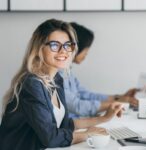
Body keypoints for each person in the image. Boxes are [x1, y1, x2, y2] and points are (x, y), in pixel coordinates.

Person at [0, 19, 123, 150]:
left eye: (67, 45)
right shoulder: (32, 84)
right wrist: (87, 134)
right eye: (54, 45)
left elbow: (64, 124)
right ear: (39, 49)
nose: (63, 51)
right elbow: (51, 137)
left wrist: (103, 118)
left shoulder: (56, 79)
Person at [60, 22, 139, 118]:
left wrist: (119, 97)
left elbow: (86, 95)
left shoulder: (68, 72)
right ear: (75, 47)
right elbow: (77, 106)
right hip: (72, 127)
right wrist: (115, 104)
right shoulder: (57, 74)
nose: (87, 53)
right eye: (86, 48)